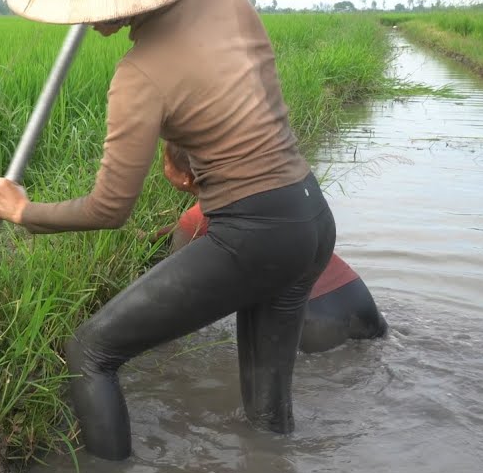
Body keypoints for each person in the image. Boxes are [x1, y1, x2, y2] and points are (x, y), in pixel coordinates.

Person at [0, 0, 338, 461]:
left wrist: (24, 212)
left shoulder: (139, 75)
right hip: (308, 218)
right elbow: (227, 82)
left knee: (89, 353)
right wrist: (181, 147)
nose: (90, 15)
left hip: (251, 235)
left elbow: (109, 209)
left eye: (97, 0)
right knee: (268, 417)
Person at [155, 140, 388, 354]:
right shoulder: (263, 194)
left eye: (165, 161)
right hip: (360, 302)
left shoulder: (195, 219)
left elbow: (176, 293)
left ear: (185, 176)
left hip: (312, 320)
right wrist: (153, 236)